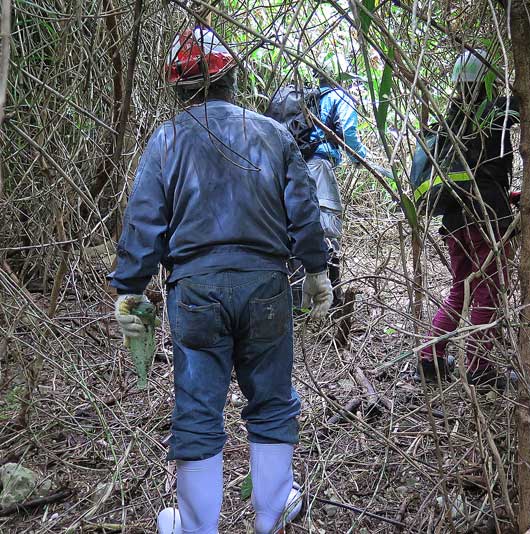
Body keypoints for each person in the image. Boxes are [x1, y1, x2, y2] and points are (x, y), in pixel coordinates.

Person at [109, 26, 333, 534]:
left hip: (195, 293)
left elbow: (144, 221)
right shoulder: (272, 134)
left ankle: (195, 525)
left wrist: (129, 288)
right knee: (272, 401)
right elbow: (304, 212)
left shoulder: (167, 140)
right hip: (265, 288)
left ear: (178, 88)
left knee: (197, 407)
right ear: (232, 77)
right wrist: (317, 273)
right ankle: (270, 515)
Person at [416, 49, 519, 390]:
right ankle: (479, 368)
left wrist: (510, 198)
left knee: (460, 290)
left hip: (455, 220)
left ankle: (430, 358)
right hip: (487, 220)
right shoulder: (498, 110)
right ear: (488, 80)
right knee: (488, 293)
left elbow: (475, 174)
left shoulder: (449, 120)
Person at [291, 55, 370, 308]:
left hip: (295, 168)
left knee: (297, 226)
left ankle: (297, 300)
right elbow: (349, 134)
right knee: (328, 229)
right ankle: (330, 299)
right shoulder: (340, 96)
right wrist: (360, 157)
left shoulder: (309, 99)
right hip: (319, 168)